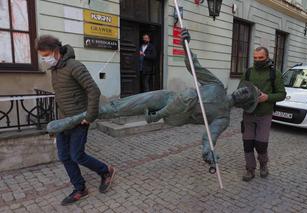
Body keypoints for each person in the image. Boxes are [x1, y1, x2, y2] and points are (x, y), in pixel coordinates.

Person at [47, 29, 260, 170]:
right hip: (167, 97)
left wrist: (208, 152)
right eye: (245, 90)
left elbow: (210, 137)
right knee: (117, 107)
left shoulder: (223, 118)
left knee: (180, 99)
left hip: (175, 113)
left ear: (244, 103)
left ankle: (71, 121)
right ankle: (76, 119)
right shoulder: (216, 85)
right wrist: (186, 45)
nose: (242, 93)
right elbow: (195, 67)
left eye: (246, 95)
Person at [35, 35, 116, 205]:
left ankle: (106, 171)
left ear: (56, 51)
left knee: (77, 155)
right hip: (64, 121)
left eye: (46, 55)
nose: (44, 59)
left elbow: (93, 91)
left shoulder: (75, 66)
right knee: (64, 156)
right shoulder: (55, 70)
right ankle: (80, 188)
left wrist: (89, 117)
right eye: (42, 56)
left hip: (80, 120)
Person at [240, 47, 286, 182]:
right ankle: (250, 169)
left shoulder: (274, 73)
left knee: (261, 144)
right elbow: (240, 89)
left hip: (265, 114)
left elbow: (282, 94)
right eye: (255, 58)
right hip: (248, 113)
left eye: (260, 58)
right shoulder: (248, 72)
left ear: (267, 57)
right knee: (247, 143)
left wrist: (267, 97)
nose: (257, 60)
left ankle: (264, 164)